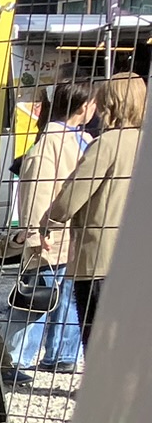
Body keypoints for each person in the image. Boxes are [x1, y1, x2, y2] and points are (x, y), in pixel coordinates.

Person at [42, 70, 145, 337]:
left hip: (102, 258)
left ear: (110, 103)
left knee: (99, 340)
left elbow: (73, 194)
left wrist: (49, 221)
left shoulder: (108, 143)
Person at [8, 78, 95, 377]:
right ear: (83, 108)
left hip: (61, 237)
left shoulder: (72, 141)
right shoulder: (53, 146)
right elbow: (35, 192)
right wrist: (33, 233)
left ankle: (60, 354)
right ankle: (21, 357)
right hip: (52, 237)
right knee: (39, 299)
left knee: (58, 297)